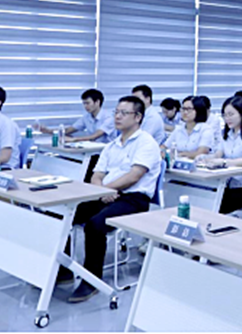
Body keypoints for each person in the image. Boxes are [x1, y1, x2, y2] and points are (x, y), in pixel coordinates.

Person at [59, 95, 161, 303]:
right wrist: (102, 191)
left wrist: (106, 189)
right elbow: (96, 175)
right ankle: (64, 270)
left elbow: (134, 176)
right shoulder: (112, 145)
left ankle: (92, 280)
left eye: (124, 113)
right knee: (62, 213)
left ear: (138, 117)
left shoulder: (146, 143)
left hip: (134, 199)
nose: (117, 117)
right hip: (104, 194)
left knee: (95, 225)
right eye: (116, 112)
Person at [199, 96, 242, 214]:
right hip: (230, 184)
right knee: (204, 196)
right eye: (225, 115)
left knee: (216, 204)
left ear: (241, 114)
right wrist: (205, 159)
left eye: (231, 114)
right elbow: (218, 154)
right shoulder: (226, 133)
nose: (227, 119)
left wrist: (224, 162)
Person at [38, 89, 114, 144]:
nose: (85, 106)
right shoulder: (87, 117)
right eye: (84, 103)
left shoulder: (109, 117)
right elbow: (68, 130)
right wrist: (48, 131)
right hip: (92, 151)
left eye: (87, 103)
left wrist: (74, 139)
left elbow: (94, 136)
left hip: (106, 152)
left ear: (97, 102)